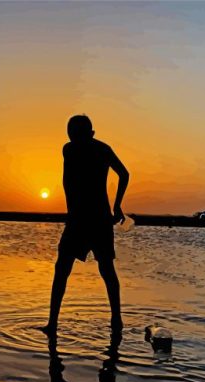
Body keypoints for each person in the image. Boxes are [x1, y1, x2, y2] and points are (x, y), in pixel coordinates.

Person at [41, 115, 129, 336]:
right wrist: (116, 206)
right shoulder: (87, 149)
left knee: (103, 269)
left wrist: (117, 206)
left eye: (76, 134)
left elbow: (124, 174)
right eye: (72, 135)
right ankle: (53, 324)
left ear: (88, 133)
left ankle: (115, 320)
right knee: (66, 269)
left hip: (89, 220)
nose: (73, 139)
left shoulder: (72, 150)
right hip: (86, 219)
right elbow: (124, 174)